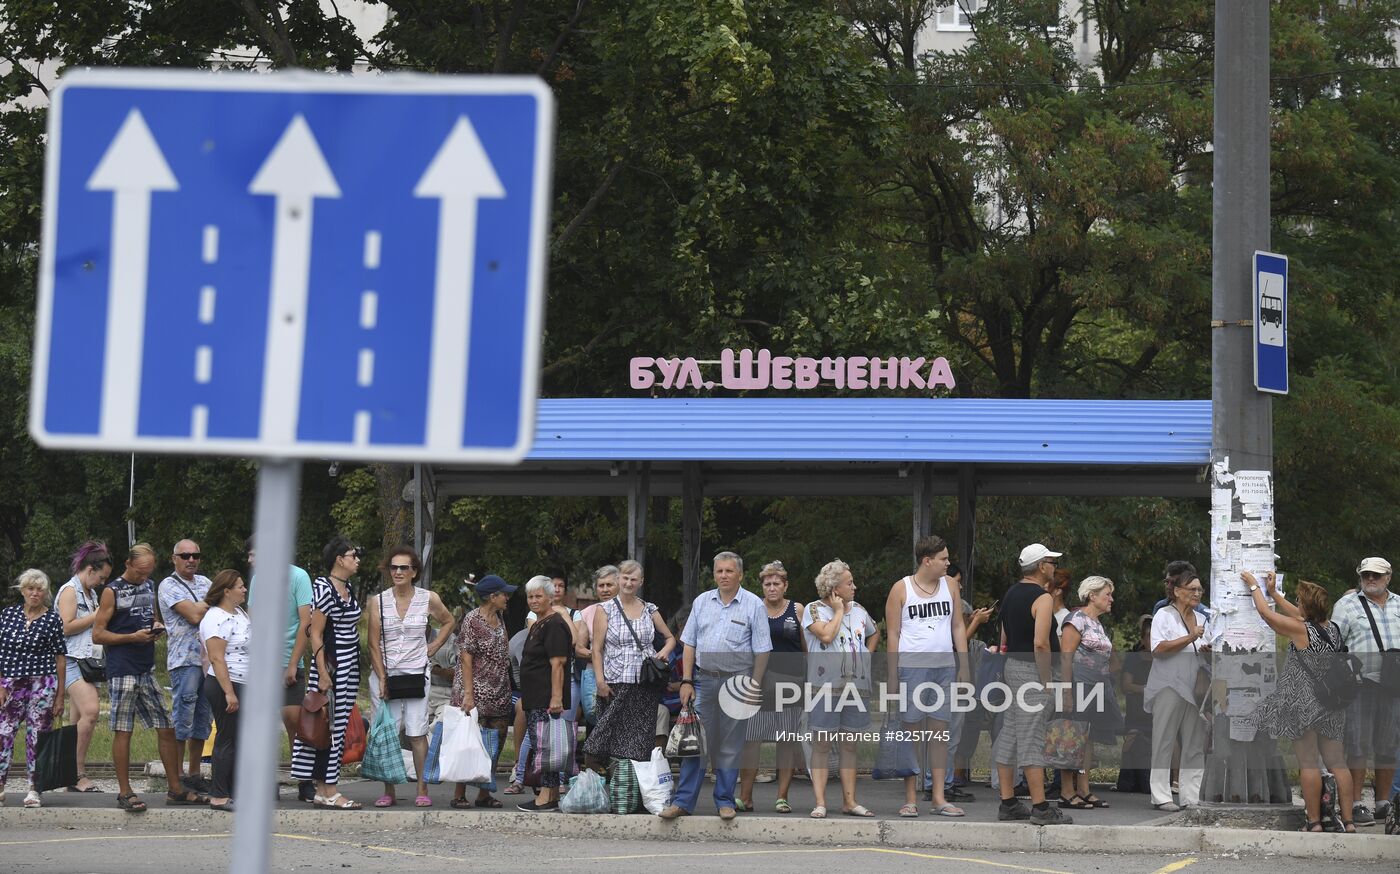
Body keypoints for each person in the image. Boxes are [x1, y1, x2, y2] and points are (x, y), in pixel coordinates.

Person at [93, 543, 207, 811]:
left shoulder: (149, 586)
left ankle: (176, 789)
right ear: (128, 564)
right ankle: (125, 792)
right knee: (124, 729)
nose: (144, 576)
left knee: (166, 727)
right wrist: (131, 637)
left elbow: (151, 616)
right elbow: (98, 634)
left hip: (146, 668)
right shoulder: (112, 591)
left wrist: (156, 626)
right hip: (122, 669)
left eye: (149, 572)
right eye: (140, 571)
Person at [660, 551, 773, 821]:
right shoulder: (702, 602)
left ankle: (724, 801)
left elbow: (762, 651)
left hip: (737, 682)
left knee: (730, 746)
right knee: (695, 742)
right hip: (704, 681)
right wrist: (687, 680)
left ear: (740, 575)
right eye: (719, 571)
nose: (723, 575)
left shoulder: (753, 605)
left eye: (729, 571)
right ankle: (683, 802)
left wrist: (754, 686)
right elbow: (689, 643)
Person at [1243, 572, 1355, 832]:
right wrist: (1274, 593)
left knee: (1308, 763)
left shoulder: (1302, 630)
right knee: (1338, 763)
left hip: (1304, 705)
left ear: (1307, 606)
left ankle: (1314, 822)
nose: (1296, 604)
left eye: (1299, 601)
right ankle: (1349, 822)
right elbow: (1297, 614)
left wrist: (1253, 586)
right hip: (1332, 704)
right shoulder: (1332, 629)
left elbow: (1266, 615)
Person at [887, 535, 967, 818]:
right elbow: (893, 634)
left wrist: (964, 666)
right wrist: (893, 675)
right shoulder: (901, 588)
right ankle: (910, 798)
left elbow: (958, 626)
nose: (947, 563)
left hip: (944, 667)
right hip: (912, 667)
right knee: (910, 732)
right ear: (927, 560)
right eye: (943, 558)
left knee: (940, 733)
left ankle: (938, 796)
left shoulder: (950, 585)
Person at [367, 546, 455, 808]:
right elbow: (373, 643)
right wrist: (382, 678)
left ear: (414, 571)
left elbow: (449, 621)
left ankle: (422, 788)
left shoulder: (428, 598)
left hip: (416, 673)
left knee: (417, 732)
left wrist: (434, 646)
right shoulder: (378, 601)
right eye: (393, 567)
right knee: (388, 733)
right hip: (386, 673)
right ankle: (389, 790)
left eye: (404, 567)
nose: (398, 572)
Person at [993, 543, 1072, 825]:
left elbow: (1004, 636)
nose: (1054, 567)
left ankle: (1008, 802)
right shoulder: (1043, 598)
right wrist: (1046, 679)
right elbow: (1041, 643)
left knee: (1011, 734)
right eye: (1051, 562)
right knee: (1031, 737)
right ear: (1041, 566)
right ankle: (1041, 808)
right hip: (1033, 672)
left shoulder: (1011, 593)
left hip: (1013, 667)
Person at [290, 536, 365, 810]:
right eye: (353, 555)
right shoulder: (324, 588)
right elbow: (316, 633)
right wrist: (323, 673)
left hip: (348, 665)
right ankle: (329, 789)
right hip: (332, 667)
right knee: (329, 727)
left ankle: (324, 790)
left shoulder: (347, 588)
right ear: (339, 559)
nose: (357, 560)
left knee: (337, 727)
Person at [583, 560, 676, 769]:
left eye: (633, 579)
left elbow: (670, 638)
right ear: (618, 579)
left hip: (645, 683)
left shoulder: (649, 609)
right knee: (604, 738)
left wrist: (663, 653)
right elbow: (596, 649)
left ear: (641, 582)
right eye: (625, 578)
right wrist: (600, 681)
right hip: (615, 683)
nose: (628, 583)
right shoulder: (605, 609)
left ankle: (634, 783)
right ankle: (605, 778)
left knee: (640, 739)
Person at [805, 559, 877, 818]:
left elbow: (874, 633)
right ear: (835, 589)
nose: (854, 587)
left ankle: (850, 801)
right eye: (849, 583)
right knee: (822, 744)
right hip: (824, 687)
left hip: (856, 688)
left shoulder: (859, 610)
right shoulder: (813, 609)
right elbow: (826, 635)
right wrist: (837, 611)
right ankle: (820, 802)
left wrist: (866, 657)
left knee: (850, 745)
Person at [245, 536, 315, 802]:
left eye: (254, 554)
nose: (251, 560)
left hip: (289, 660)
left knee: (294, 721)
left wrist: (293, 663)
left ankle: (304, 780)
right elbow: (253, 620)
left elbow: (305, 623)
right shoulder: (257, 580)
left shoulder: (298, 576)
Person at [1331, 556, 1399, 827]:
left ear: (1388, 577)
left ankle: (1383, 803)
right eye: (1366, 574)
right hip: (1361, 683)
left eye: (1377, 575)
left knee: (1389, 744)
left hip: (1394, 684)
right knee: (1357, 744)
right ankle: (1356, 802)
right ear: (1360, 576)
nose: (1371, 579)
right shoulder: (1347, 605)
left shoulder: (1399, 604)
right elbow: (1334, 643)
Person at [737, 561, 805, 813]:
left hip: (791, 683)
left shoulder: (797, 609)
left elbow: (806, 648)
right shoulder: (754, 608)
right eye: (768, 584)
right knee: (752, 739)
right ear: (762, 587)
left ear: (785, 586)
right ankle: (745, 797)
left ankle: (782, 797)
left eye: (777, 583)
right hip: (760, 682)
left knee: (786, 741)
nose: (772, 588)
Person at [0, 570, 67, 809]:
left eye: (39, 589)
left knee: (37, 735)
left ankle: (34, 788)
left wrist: (60, 696)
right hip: (11, 682)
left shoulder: (52, 619)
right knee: (3, 733)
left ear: (45, 592)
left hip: (43, 683)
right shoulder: (7, 615)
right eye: (30, 588)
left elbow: (60, 658)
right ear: (22, 590)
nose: (35, 593)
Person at [1144, 565, 1208, 811]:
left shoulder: (1202, 618)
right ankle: (1161, 795)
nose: (1197, 593)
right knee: (1164, 740)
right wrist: (1191, 637)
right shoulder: (1164, 615)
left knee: (1195, 742)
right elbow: (1158, 649)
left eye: (1199, 589)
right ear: (1178, 591)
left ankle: (1191, 796)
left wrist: (1207, 650)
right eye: (1192, 589)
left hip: (1194, 688)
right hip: (1168, 684)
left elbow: (1204, 651)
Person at [451, 575, 517, 809]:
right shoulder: (473, 620)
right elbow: (466, 657)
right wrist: (469, 694)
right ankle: (459, 794)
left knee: (494, 744)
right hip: (475, 693)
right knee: (468, 743)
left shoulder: (500, 618)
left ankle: (483, 794)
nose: (507, 597)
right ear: (492, 596)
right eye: (503, 594)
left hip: (498, 693)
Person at [509, 576, 581, 792]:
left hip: (547, 698)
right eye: (530, 596)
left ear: (550, 597)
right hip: (535, 696)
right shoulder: (539, 623)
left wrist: (556, 698)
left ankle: (546, 795)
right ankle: (548, 795)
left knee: (546, 746)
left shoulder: (554, 624)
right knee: (542, 745)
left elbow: (558, 663)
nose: (533, 600)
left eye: (538, 596)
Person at [1057, 575, 1122, 809]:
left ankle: (1083, 788)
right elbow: (1066, 657)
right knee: (1071, 737)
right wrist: (1066, 692)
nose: (1111, 599)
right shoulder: (1076, 619)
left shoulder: (1097, 623)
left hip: (1096, 688)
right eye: (1107, 594)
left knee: (1088, 738)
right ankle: (1066, 791)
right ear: (1092, 596)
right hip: (1078, 685)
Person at [157, 538, 213, 796]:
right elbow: (193, 615)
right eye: (185, 555)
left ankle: (195, 773)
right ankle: (177, 774)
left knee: (203, 718)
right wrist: (207, 604)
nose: (191, 560)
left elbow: (223, 609)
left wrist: (202, 605)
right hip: (184, 660)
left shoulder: (205, 583)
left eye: (195, 555)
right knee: (183, 717)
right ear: (174, 558)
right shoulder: (168, 585)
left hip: (208, 660)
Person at [55, 541, 111, 794]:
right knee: (91, 712)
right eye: (101, 577)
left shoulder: (91, 594)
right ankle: (76, 773)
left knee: (77, 719)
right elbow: (66, 627)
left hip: (89, 662)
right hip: (72, 659)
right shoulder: (70, 591)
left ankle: (69, 775)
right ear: (90, 570)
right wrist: (97, 615)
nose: (101, 582)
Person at [199, 569, 250, 813]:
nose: (244, 589)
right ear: (226, 591)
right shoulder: (216, 618)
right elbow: (217, 658)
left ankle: (235, 790)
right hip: (226, 684)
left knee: (239, 739)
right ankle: (219, 795)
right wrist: (229, 692)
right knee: (227, 738)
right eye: (240, 586)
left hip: (244, 682)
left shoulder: (239, 613)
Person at [574, 566, 620, 729]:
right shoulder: (587, 612)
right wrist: (597, 655)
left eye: (609, 585)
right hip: (593, 673)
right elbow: (579, 648)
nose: (605, 589)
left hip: (622, 674)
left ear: (619, 585)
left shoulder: (629, 610)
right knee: (595, 717)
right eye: (601, 585)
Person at [1114, 614, 1154, 794]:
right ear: (1142, 639)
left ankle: (1170, 780)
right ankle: (1126, 779)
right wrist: (1146, 689)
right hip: (1137, 710)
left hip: (1157, 711)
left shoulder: (1165, 659)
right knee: (1132, 737)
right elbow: (1126, 686)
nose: (1152, 640)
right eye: (1149, 636)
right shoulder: (1133, 658)